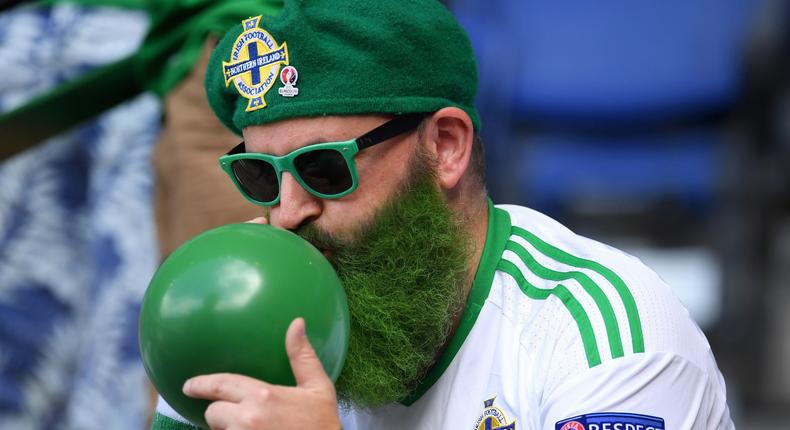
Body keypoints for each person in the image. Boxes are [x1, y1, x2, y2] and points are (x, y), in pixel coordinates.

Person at [151, 0, 735, 428]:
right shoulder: (265, 316)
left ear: (446, 146)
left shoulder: (604, 335)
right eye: (261, 175)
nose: (287, 212)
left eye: (324, 168)